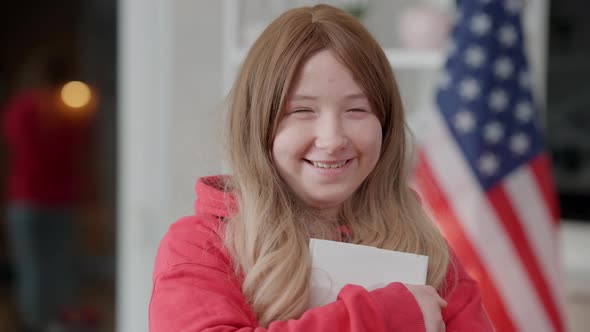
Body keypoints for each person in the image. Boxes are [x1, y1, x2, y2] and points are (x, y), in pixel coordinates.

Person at [149, 4, 493, 331]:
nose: (332, 139)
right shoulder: (201, 244)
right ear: (258, 126)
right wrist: (384, 318)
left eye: (357, 110)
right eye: (301, 111)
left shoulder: (425, 247)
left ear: (385, 126)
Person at [2, 53, 94, 332]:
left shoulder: (58, 108)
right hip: (36, 200)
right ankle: (43, 321)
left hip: (45, 200)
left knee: (50, 265)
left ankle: (53, 321)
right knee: (43, 266)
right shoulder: (28, 109)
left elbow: (78, 151)